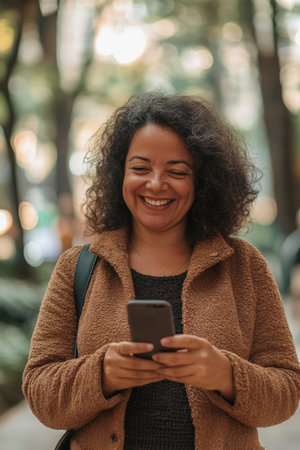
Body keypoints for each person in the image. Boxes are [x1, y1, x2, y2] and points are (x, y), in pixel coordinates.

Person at [22, 92, 300, 449]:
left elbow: (288, 391)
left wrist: (227, 375)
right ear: (119, 173)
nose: (155, 184)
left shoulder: (243, 265)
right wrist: (101, 375)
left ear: (202, 181)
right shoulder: (78, 266)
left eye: (177, 171)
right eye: (140, 168)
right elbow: (40, 391)